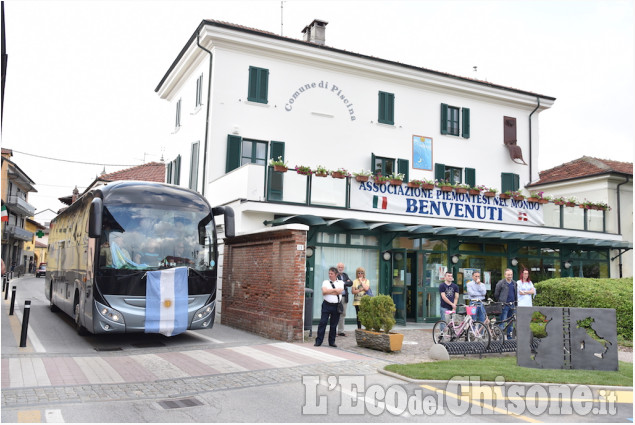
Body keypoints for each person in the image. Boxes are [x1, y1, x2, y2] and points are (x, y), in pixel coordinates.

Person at [314, 267, 344, 348]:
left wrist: (329, 291)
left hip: (336, 306)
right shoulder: (325, 282)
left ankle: (332, 342)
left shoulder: (340, 282)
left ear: (336, 274)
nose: (330, 275)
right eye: (329, 273)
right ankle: (318, 341)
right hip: (326, 305)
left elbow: (340, 291)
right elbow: (324, 292)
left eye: (331, 274)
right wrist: (334, 291)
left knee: (333, 325)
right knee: (322, 323)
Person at [494, 268, 517, 339]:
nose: (510, 276)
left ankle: (509, 337)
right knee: (503, 322)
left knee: (511, 322)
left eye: (511, 274)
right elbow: (496, 294)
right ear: (505, 275)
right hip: (504, 305)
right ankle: (501, 338)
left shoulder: (514, 283)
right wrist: (500, 302)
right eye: (508, 275)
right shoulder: (501, 283)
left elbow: (515, 294)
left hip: (512, 305)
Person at [335, 262, 353, 336]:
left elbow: (351, 283)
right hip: (336, 297)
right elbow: (337, 283)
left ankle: (341, 331)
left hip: (344, 297)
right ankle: (334, 331)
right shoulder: (335, 275)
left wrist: (343, 283)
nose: (340, 268)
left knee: (343, 314)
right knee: (336, 313)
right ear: (337, 268)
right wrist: (345, 282)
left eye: (342, 267)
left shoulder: (345, 275)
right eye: (339, 267)